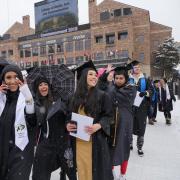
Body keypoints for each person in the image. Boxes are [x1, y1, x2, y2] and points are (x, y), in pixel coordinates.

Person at [66, 61, 113, 180]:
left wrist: (99, 125)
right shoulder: (73, 97)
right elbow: (68, 116)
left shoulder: (103, 96)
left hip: (95, 141)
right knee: (81, 170)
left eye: (95, 75)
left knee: (96, 172)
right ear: (83, 77)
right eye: (90, 74)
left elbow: (109, 116)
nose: (94, 77)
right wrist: (67, 125)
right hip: (77, 141)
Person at [32, 75, 76, 180]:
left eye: (45, 84)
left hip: (64, 142)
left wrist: (67, 123)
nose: (43, 87)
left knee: (71, 172)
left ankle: (63, 173)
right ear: (36, 88)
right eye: (40, 85)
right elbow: (35, 122)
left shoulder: (58, 99)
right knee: (40, 174)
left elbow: (69, 114)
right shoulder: (36, 104)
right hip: (46, 144)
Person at [0, 65, 35, 180]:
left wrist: (28, 97)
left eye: (15, 77)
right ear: (3, 81)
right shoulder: (2, 100)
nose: (12, 81)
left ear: (20, 79)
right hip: (3, 153)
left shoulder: (26, 98)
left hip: (20, 154)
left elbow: (32, 120)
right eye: (8, 77)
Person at [107, 66, 136, 180]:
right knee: (111, 148)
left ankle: (123, 174)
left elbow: (116, 94)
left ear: (126, 79)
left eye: (121, 78)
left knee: (123, 149)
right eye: (116, 78)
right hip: (112, 123)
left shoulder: (131, 88)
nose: (118, 80)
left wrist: (110, 85)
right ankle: (111, 171)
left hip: (125, 124)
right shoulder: (112, 87)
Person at [129, 60, 153, 157]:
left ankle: (139, 146)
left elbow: (151, 90)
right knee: (129, 125)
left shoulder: (145, 79)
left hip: (142, 107)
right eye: (135, 67)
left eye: (138, 67)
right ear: (133, 69)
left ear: (140, 68)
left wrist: (146, 92)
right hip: (130, 106)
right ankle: (129, 143)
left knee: (141, 127)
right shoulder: (128, 79)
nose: (137, 69)